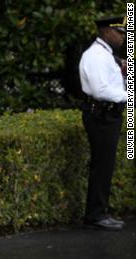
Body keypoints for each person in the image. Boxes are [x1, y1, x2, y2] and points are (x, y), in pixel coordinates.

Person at [79, 16, 127, 231]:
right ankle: (96, 215)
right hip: (102, 114)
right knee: (102, 165)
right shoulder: (96, 56)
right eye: (119, 33)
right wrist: (127, 95)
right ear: (106, 31)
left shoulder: (107, 55)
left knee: (105, 165)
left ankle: (99, 212)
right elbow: (100, 91)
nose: (123, 37)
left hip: (108, 114)